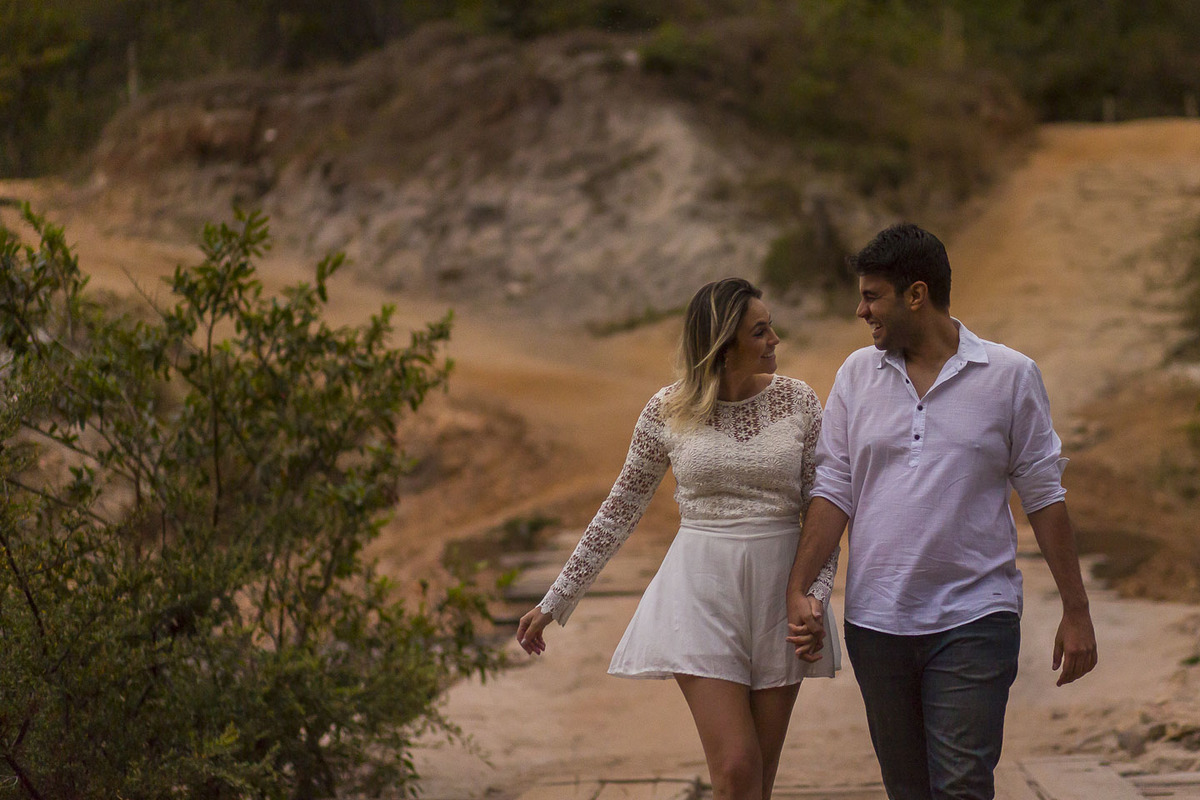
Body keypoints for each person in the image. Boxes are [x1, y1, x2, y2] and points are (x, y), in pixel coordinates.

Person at [785, 223, 1098, 800]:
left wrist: (1076, 611)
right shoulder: (856, 375)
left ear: (916, 295)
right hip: (877, 623)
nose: (861, 311)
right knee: (908, 789)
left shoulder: (1010, 376)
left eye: (872, 296)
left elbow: (1044, 497)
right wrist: (798, 587)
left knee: (961, 786)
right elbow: (834, 489)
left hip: (976, 617)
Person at [517, 277, 841, 800]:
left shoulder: (798, 401)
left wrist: (814, 595)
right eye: (760, 331)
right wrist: (556, 599)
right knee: (736, 768)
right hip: (699, 595)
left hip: (779, 598)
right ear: (723, 344)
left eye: (771, 327)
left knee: (757, 780)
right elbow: (619, 510)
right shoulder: (666, 410)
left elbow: (823, 509)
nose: (775, 339)